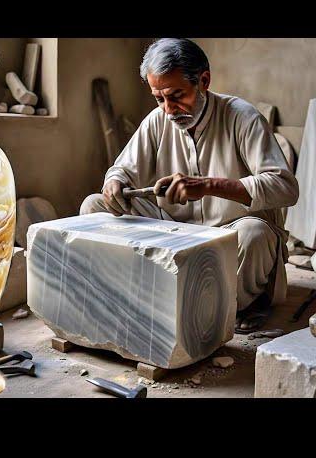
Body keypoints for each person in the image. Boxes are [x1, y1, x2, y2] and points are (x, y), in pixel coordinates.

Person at [80, 38, 299, 334]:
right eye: (159, 99)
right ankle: (133, 296)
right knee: (94, 206)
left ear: (204, 81)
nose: (169, 109)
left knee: (255, 233)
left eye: (177, 95)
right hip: (176, 231)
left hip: (229, 233)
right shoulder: (159, 120)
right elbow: (122, 169)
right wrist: (114, 182)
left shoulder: (242, 117)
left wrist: (208, 185)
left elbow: (285, 187)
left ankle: (235, 305)